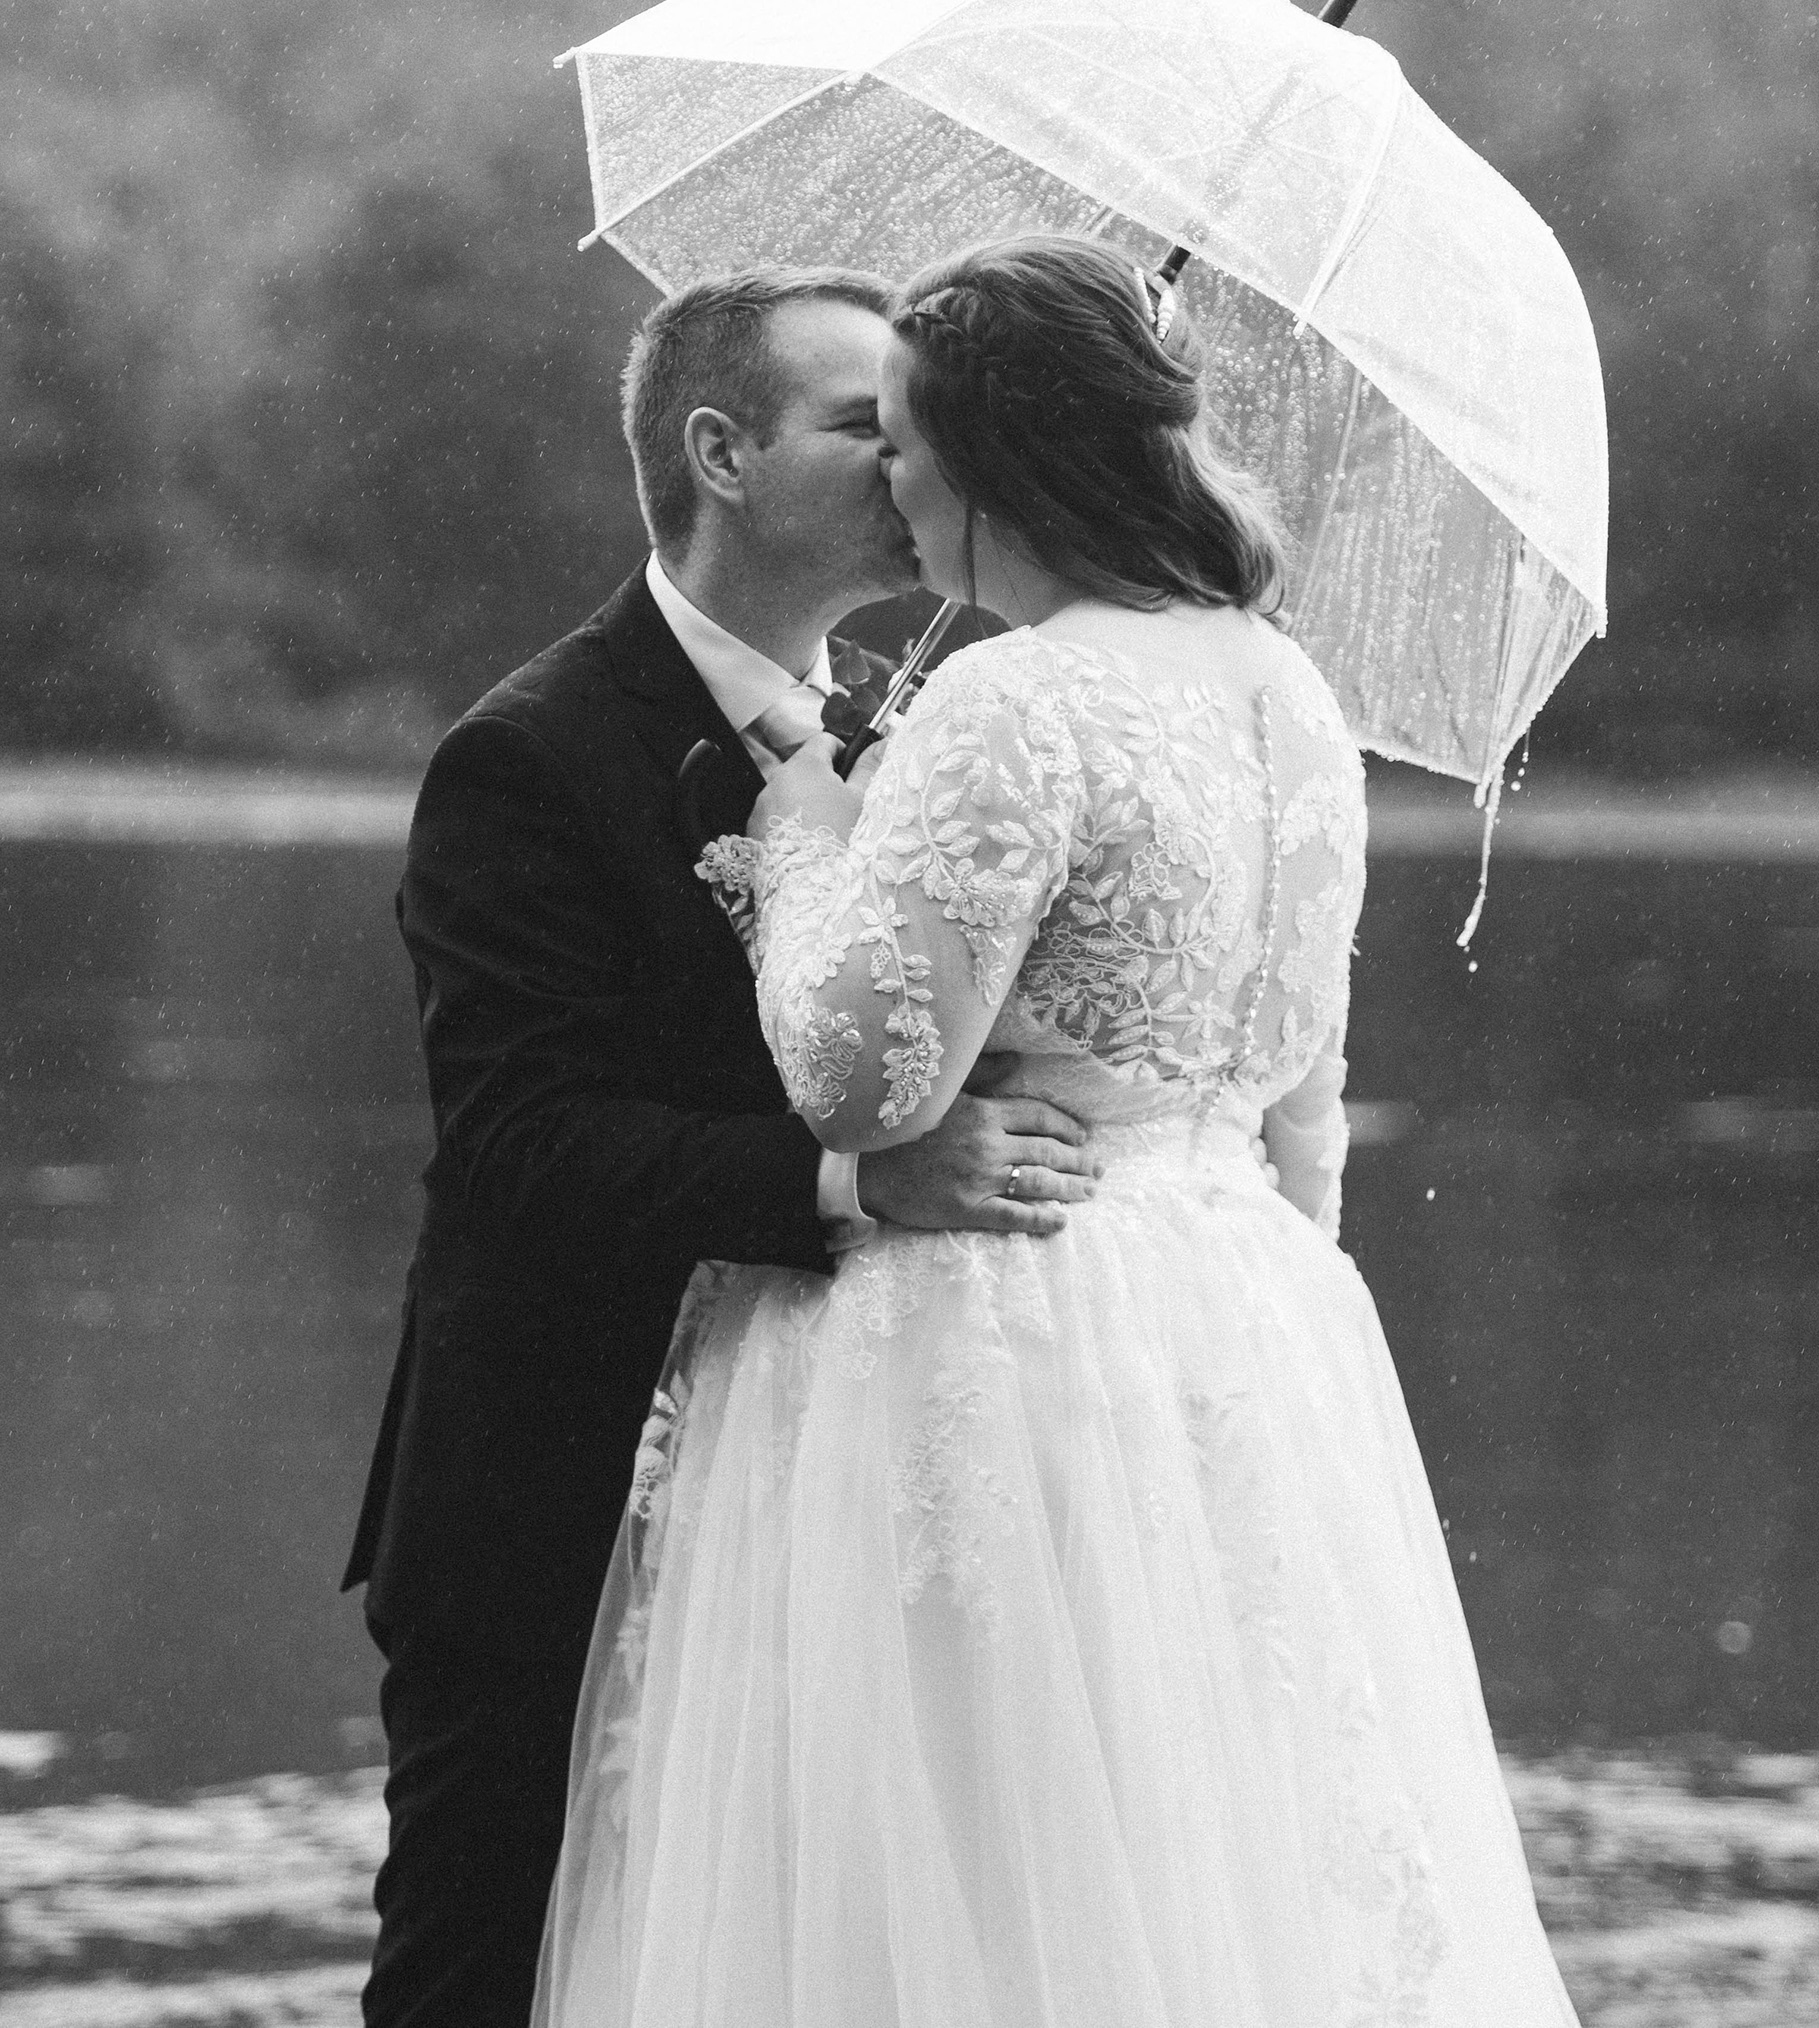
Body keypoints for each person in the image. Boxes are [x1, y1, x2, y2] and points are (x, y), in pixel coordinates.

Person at [536, 233, 1580, 2028]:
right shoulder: (1288, 693)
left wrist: (804, 843)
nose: (889, 477)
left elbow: (864, 1089)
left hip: (1004, 1321)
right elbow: (1304, 1104)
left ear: (985, 455)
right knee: (1216, 1859)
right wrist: (1241, 1349)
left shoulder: (1010, 697)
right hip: (1243, 1322)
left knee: (967, 1869)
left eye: (905, 436)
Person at [343, 264, 1106, 2028]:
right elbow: (524, 1145)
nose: (917, 459)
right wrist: (858, 1181)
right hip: (553, 1477)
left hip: (817, 1478)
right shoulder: (526, 755)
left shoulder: (920, 730)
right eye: (866, 424)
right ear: (721, 454)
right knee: (483, 1967)